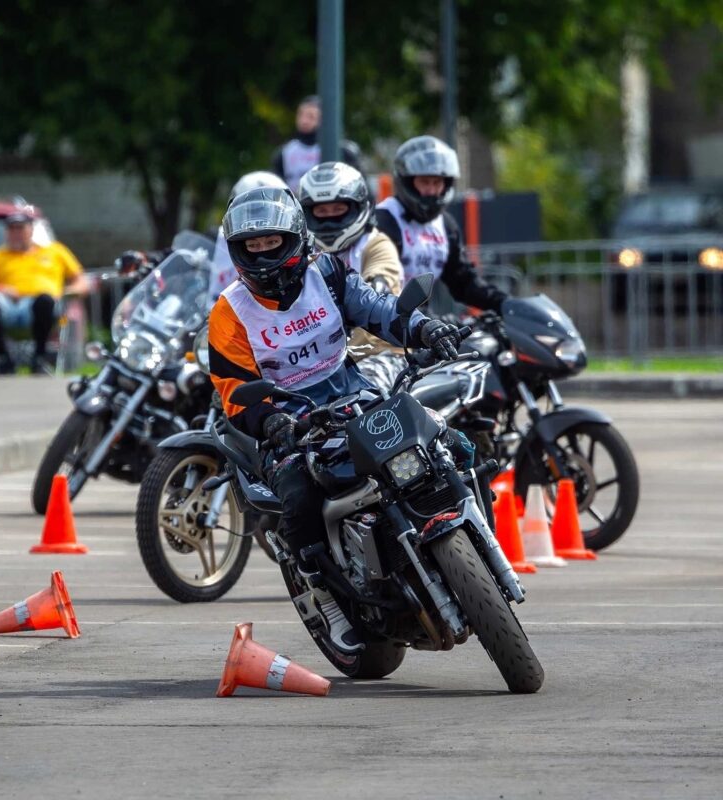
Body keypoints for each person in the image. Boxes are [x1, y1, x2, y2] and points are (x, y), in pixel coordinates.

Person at [207, 186, 462, 655]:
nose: (263, 254)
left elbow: (378, 310)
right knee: (298, 495)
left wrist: (424, 328)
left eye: (272, 242)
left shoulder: (326, 271)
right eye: (252, 246)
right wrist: (271, 424)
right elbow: (233, 390)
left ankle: (467, 523)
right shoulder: (227, 312)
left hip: (351, 389)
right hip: (283, 415)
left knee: (445, 436)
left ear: (296, 239)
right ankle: (323, 596)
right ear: (237, 251)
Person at [363, 135, 508, 391]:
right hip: (389, 331)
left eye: (437, 183)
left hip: (427, 328)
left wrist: (504, 304)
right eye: (424, 182)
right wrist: (430, 321)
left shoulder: (445, 226)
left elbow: (463, 281)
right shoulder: (385, 220)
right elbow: (379, 288)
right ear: (408, 182)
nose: (432, 190)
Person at [115, 171, 288, 301]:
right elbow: (183, 254)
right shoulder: (219, 237)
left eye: (271, 242)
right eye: (249, 209)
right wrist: (149, 260)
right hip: (224, 320)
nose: (258, 221)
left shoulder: (291, 239)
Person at [297, 161, 403, 365]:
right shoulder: (300, 252)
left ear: (358, 207)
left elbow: (380, 292)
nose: (329, 218)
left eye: (338, 208)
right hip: (314, 362)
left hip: (376, 355)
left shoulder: (375, 245)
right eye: (321, 211)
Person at [0, 202, 88, 375]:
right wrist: (1, 289)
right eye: (11, 229)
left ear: (31, 230)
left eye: (20, 228)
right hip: (8, 307)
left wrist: (66, 293)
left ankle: (39, 359)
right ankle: (4, 359)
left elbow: (81, 280)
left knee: (44, 300)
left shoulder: (55, 251)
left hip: (43, 306)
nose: (16, 234)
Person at [271, 95, 365, 192]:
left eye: (311, 116)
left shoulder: (343, 151)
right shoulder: (284, 153)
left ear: (322, 119)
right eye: (301, 115)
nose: (304, 121)